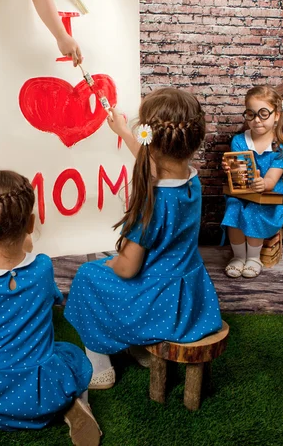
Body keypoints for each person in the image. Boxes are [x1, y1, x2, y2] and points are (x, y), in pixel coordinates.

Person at [64, 88, 223, 389]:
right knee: (106, 265)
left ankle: (99, 369)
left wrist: (113, 262)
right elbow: (153, 162)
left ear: (152, 139)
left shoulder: (152, 203)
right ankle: (140, 347)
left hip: (156, 300)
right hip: (188, 299)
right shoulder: (191, 178)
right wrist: (124, 132)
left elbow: (128, 269)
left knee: (87, 274)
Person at [0, 170, 101, 446]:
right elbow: (52, 300)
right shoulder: (43, 267)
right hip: (45, 400)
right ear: (30, 224)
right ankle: (73, 405)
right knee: (69, 357)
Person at [222, 85, 283, 279]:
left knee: (254, 210)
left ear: (276, 115)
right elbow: (239, 173)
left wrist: (264, 183)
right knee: (234, 206)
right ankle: (238, 257)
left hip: (269, 196)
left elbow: (271, 179)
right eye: (251, 114)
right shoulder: (239, 141)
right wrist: (230, 169)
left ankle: (253, 258)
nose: (257, 120)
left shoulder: (282, 147)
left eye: (263, 114)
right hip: (244, 192)